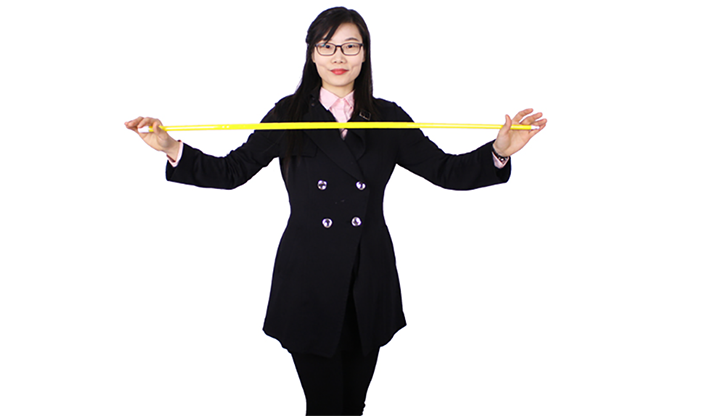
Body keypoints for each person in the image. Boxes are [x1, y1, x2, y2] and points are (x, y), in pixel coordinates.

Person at [125, 6, 546, 415]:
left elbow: (445, 171)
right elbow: (232, 171)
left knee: (353, 406)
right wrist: (171, 147)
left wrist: (499, 151)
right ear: (312, 54)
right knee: (325, 406)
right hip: (308, 279)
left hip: (369, 277)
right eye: (326, 46)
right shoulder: (289, 115)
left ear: (364, 53)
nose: (338, 56)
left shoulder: (387, 118)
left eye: (350, 45)